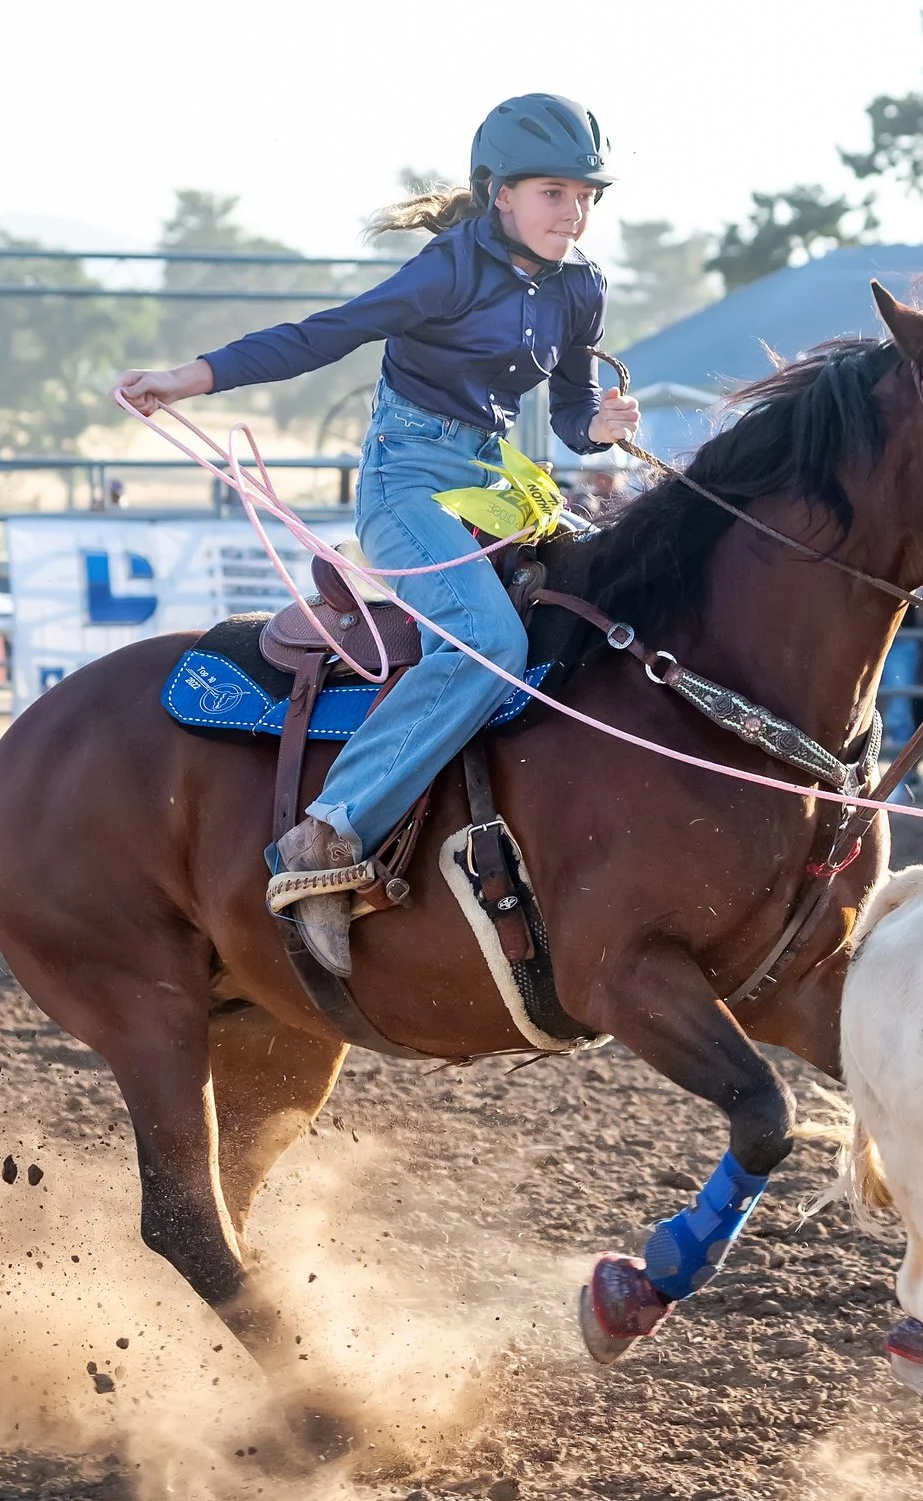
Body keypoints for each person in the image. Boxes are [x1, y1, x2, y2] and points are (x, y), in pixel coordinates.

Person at [115, 94, 637, 974]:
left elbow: (577, 411)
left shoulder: (581, 287)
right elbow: (320, 337)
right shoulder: (445, 272)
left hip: (494, 485)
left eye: (586, 195)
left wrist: (605, 425)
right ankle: (327, 835)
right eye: (554, 192)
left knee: (616, 594)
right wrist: (185, 378)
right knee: (485, 643)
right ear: (498, 193)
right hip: (406, 484)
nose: (574, 211)